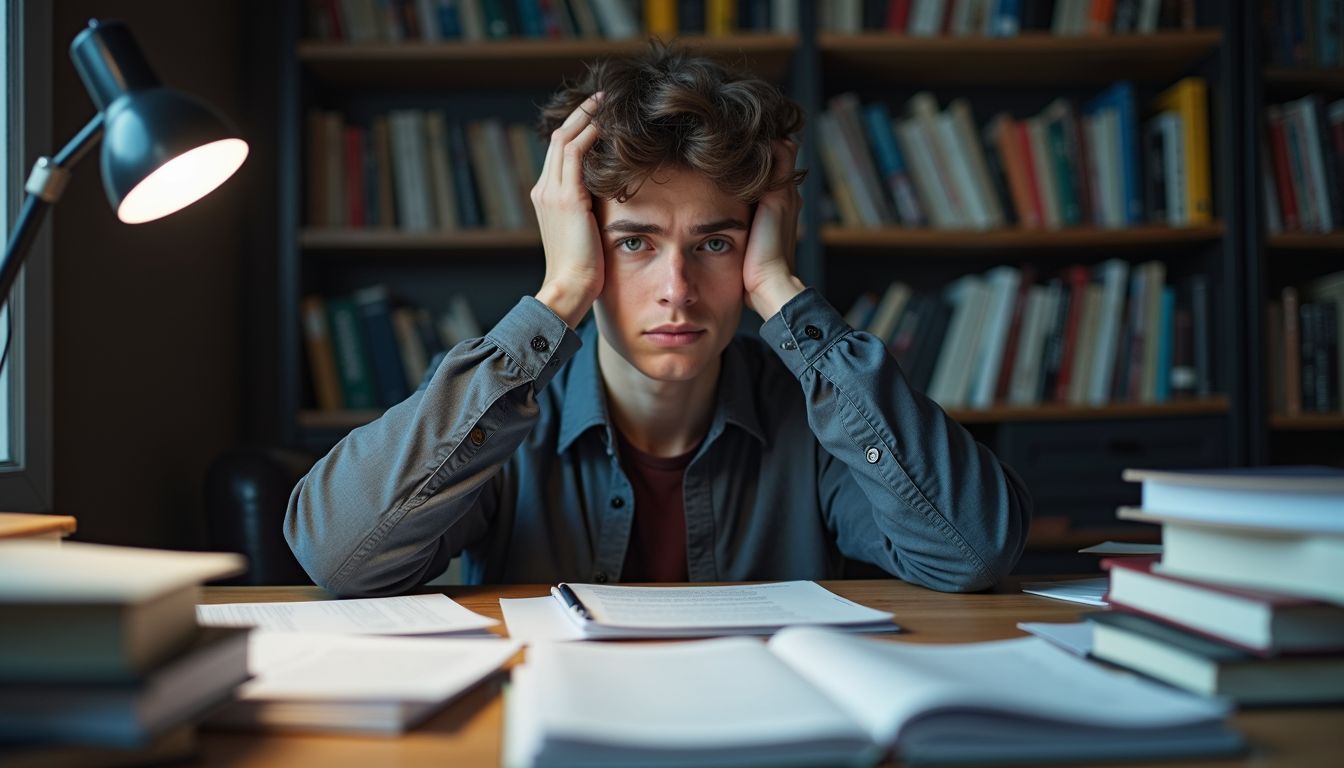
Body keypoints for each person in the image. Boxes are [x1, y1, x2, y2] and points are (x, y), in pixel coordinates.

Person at [285, 43, 1031, 596]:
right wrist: (561, 292)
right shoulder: (499, 415)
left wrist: (779, 287)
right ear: (578, 240)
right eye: (633, 242)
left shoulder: (817, 421)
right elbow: (337, 556)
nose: (677, 288)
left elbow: (973, 553)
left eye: (714, 242)